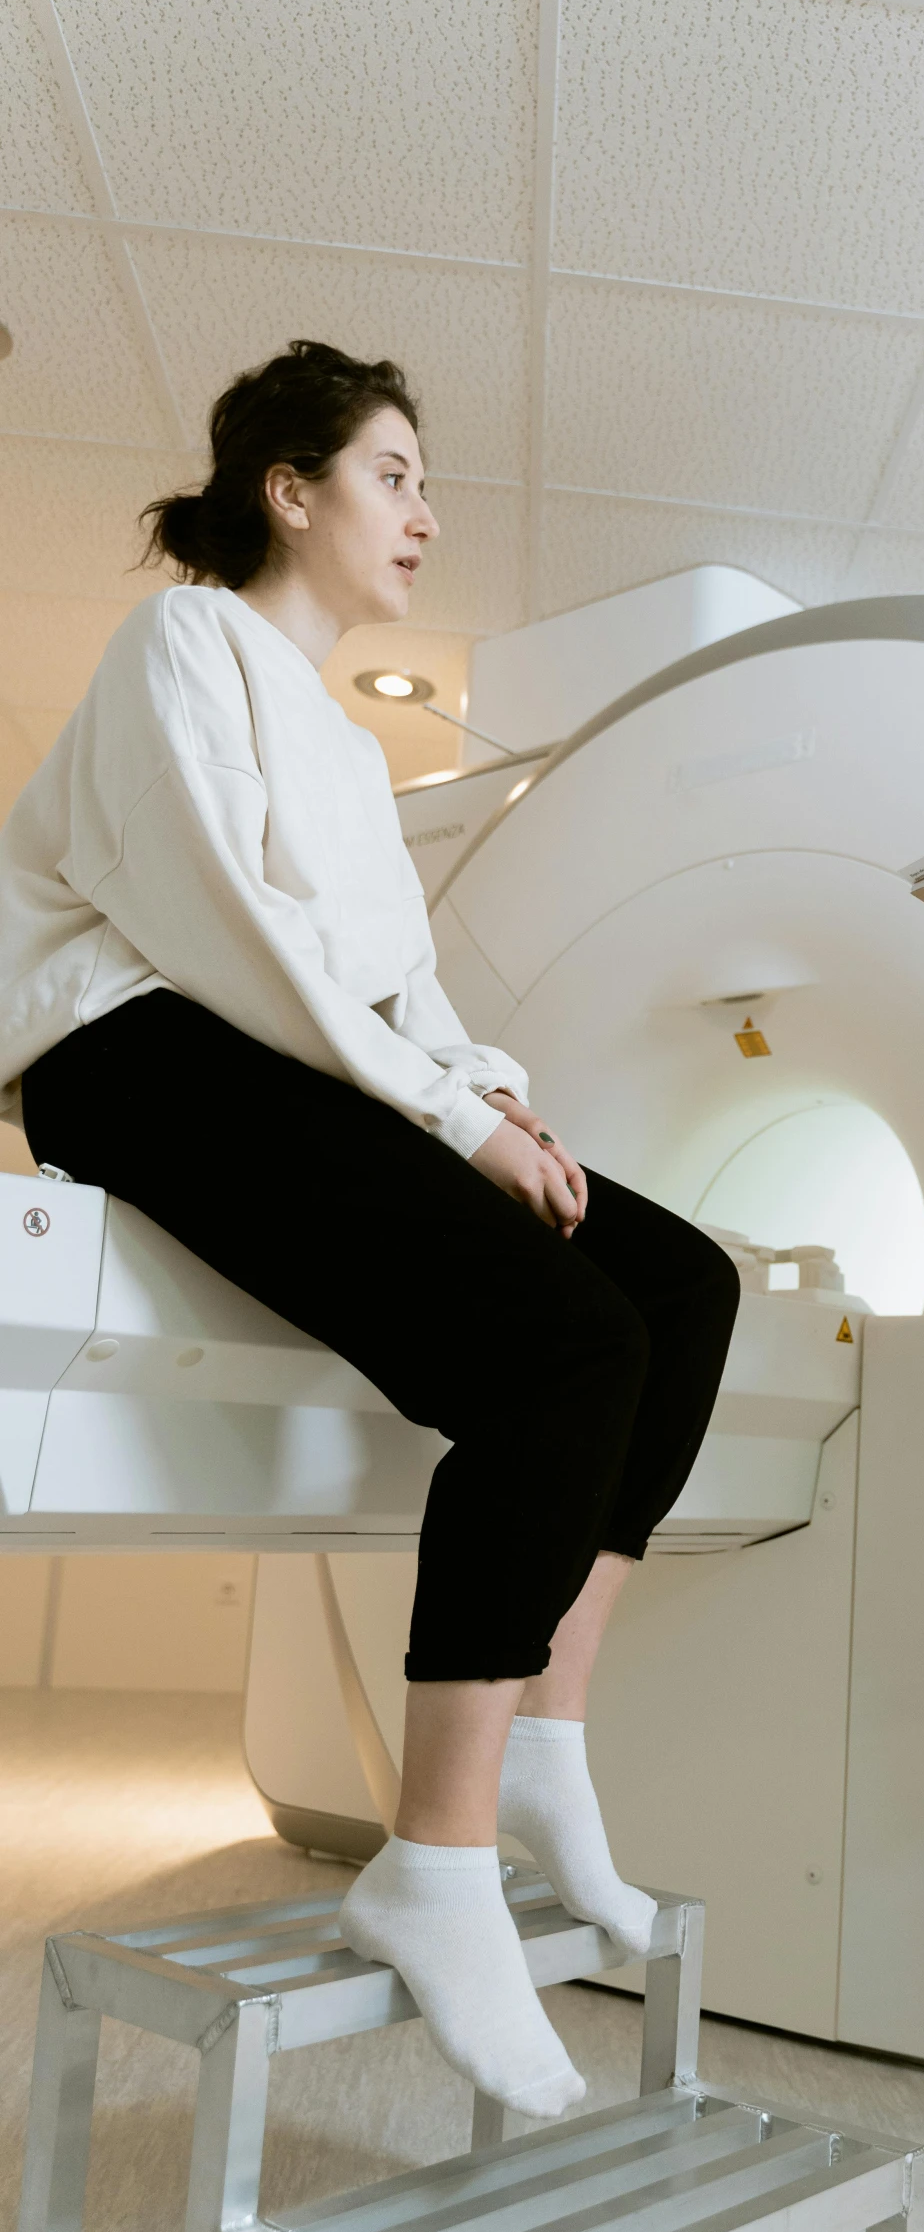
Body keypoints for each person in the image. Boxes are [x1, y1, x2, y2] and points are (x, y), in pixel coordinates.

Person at [0, 340, 739, 2120]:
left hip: (268, 1051)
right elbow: (221, 930)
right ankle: (436, 1856)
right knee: (559, 1347)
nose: (423, 509)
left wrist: (499, 1094)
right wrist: (451, 1121)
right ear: (290, 488)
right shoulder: (184, 643)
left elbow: (398, 988)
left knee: (672, 1284)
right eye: (393, 472)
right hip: (121, 1043)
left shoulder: (344, 738)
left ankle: (545, 1736)